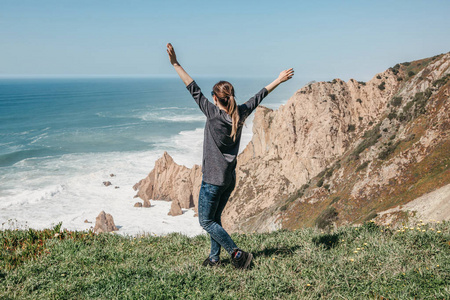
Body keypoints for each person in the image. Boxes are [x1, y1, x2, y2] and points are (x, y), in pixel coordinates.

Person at [166, 43, 294, 269]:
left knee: (206, 221)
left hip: (212, 181)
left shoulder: (213, 115)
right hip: (229, 179)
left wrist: (175, 63)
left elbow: (192, 87)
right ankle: (214, 259)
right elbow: (260, 95)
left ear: (215, 99)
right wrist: (279, 79)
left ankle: (237, 255)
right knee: (215, 219)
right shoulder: (241, 112)